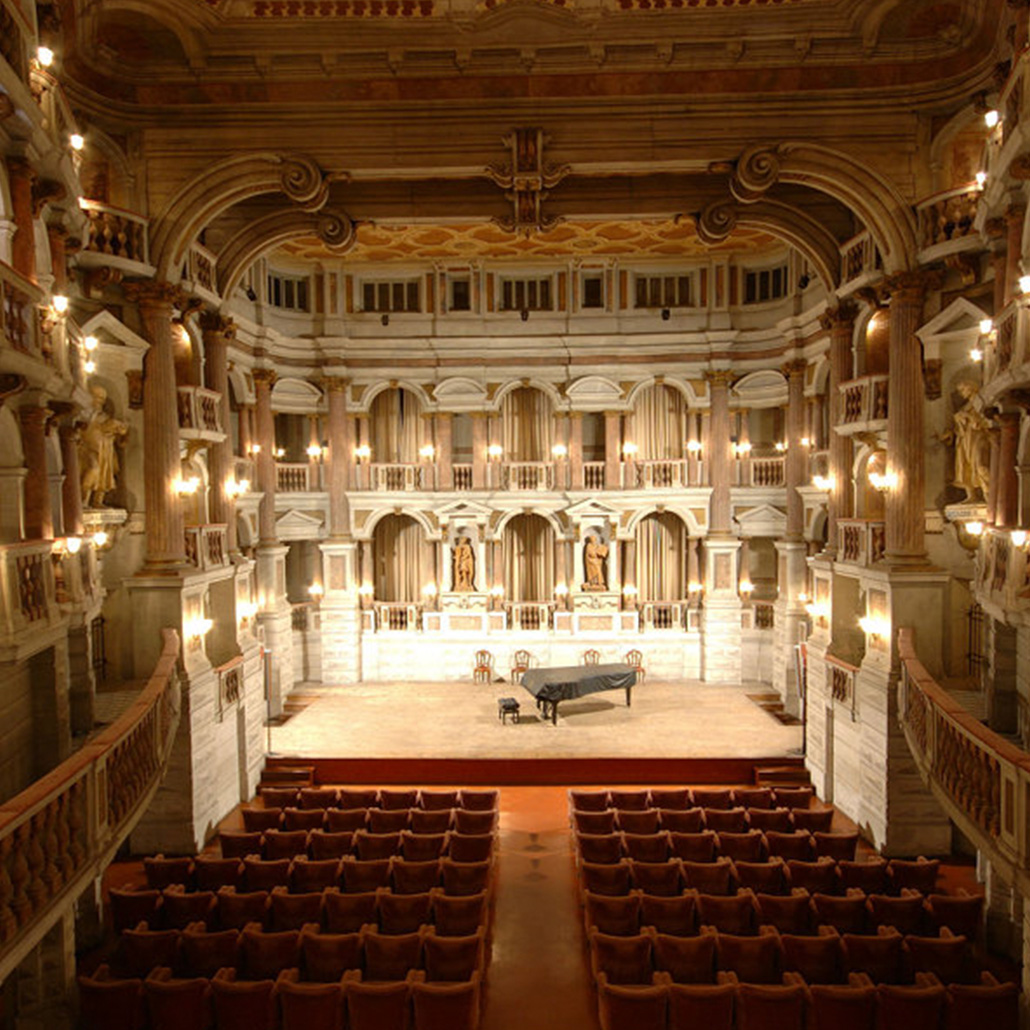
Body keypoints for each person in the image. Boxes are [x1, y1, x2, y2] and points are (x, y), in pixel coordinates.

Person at [79, 385, 128, 508]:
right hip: (88, 449)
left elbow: (120, 437)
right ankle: (83, 500)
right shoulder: (85, 414)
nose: (99, 401)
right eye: (96, 398)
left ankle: (98, 501)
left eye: (101, 399)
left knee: (105, 476)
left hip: (105, 451)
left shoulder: (105, 417)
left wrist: (120, 431)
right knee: (93, 469)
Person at [944, 380, 991, 501]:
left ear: (971, 388)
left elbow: (983, 422)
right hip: (965, 439)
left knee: (980, 465)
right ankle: (971, 495)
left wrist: (967, 416)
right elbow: (959, 427)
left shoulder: (980, 403)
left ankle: (988, 494)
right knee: (965, 466)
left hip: (978, 437)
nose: (962, 393)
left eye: (963, 389)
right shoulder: (966, 406)